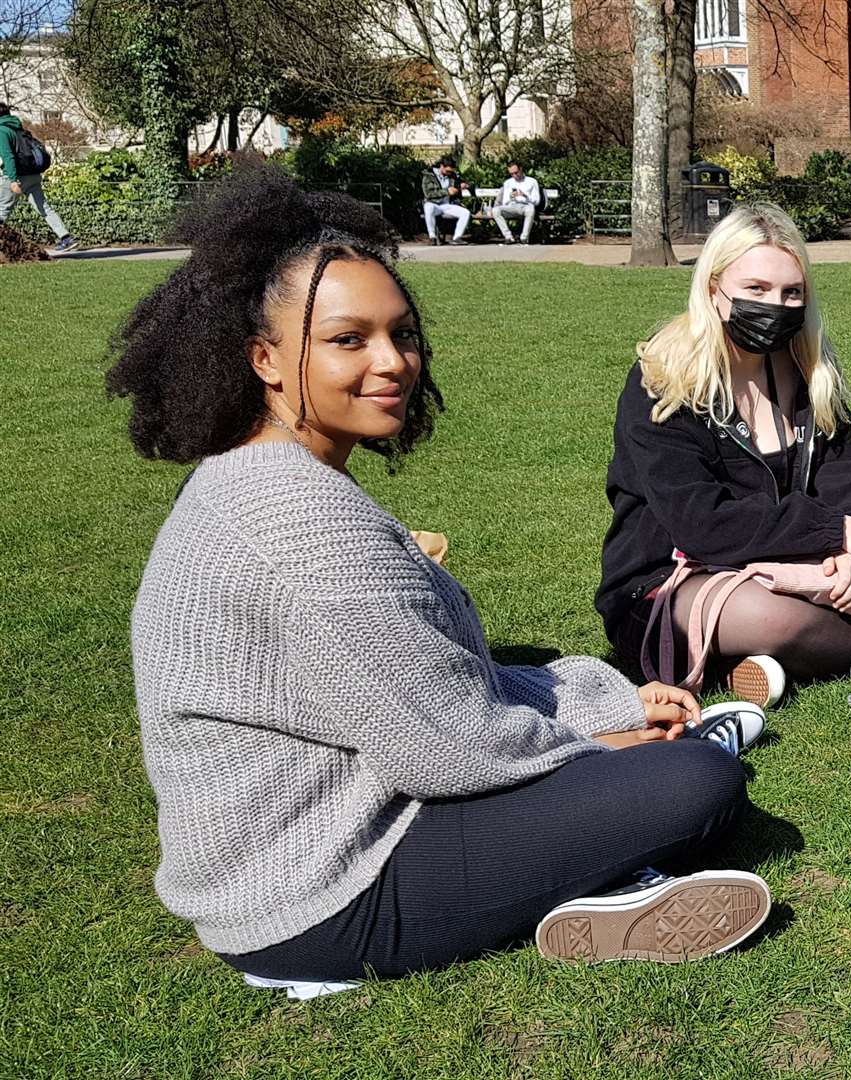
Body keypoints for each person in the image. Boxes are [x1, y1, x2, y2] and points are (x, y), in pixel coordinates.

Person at [108, 168, 772, 983]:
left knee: (652, 763)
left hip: (308, 842)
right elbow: (447, 746)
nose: (392, 362)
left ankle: (615, 881)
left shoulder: (261, 474)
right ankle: (618, 865)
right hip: (321, 893)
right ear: (266, 360)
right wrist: (600, 744)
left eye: (402, 334)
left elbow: (430, 686)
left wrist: (614, 696)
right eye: (348, 340)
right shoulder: (301, 522)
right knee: (699, 781)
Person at [597, 204, 851, 706]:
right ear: (714, 292)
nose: (774, 306)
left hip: (792, 557)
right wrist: (837, 533)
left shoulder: (804, 368)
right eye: (756, 290)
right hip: (672, 581)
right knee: (773, 615)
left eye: (791, 292)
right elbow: (702, 523)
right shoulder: (663, 382)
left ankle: (752, 664)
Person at [0, 102, 77, 253]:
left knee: (2, 210)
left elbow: (8, 157)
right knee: (44, 208)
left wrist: (14, 180)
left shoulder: (2, 131)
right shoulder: (18, 129)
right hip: (33, 176)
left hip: (16, 177)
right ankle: (66, 238)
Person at [420, 159, 471, 245]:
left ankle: (457, 237)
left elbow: (464, 183)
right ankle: (432, 237)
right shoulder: (428, 176)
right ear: (441, 166)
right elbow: (428, 194)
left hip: (447, 205)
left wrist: (463, 185)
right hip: (433, 203)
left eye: (451, 172)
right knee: (428, 207)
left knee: (465, 212)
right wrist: (446, 192)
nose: (449, 173)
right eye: (447, 171)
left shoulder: (453, 176)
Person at [492, 160, 542, 244]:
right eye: (511, 174)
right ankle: (508, 237)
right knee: (495, 210)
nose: (514, 176)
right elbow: (505, 202)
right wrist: (510, 197)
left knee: (531, 209)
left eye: (516, 172)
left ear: (521, 169)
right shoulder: (508, 182)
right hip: (512, 206)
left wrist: (525, 196)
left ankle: (524, 238)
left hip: (525, 205)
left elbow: (537, 201)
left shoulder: (532, 181)